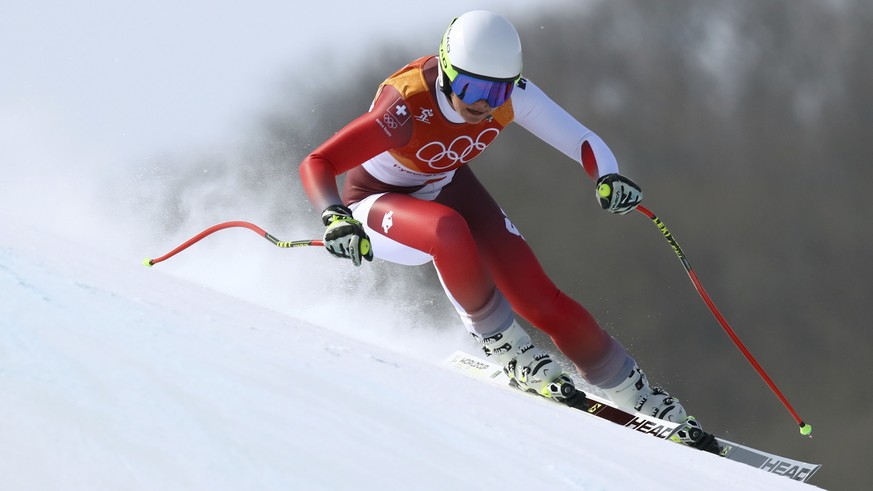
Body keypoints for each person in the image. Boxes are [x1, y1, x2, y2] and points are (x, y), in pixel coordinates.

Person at [299, 10, 707, 446]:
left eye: (497, 91)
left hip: (446, 186)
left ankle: (633, 390)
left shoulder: (511, 97)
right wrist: (333, 215)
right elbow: (318, 162)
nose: (484, 105)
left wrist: (606, 176)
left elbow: (582, 140)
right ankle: (500, 342)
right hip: (373, 205)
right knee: (449, 231)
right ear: (447, 73)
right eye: (473, 88)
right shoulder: (405, 107)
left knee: (539, 297)